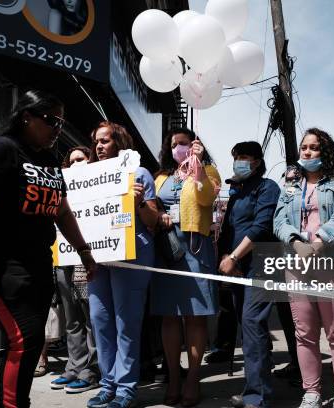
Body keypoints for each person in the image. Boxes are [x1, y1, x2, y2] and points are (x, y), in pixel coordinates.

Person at [0, 90, 97, 408]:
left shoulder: (49, 160)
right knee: (26, 338)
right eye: (52, 120)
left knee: (26, 342)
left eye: (62, 122)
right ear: (26, 117)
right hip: (0, 265)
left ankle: (6, 402)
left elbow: (62, 212)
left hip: (37, 264)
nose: (58, 128)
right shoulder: (1, 150)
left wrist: (85, 252)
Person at [274, 128, 334, 408]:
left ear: (325, 151)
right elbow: (279, 219)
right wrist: (296, 242)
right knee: (305, 332)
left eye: (314, 148)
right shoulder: (290, 181)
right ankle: (311, 393)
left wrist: (321, 240)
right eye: (304, 148)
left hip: (331, 260)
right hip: (297, 262)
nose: (307, 152)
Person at [86, 121, 159, 408]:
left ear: (119, 141)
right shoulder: (90, 176)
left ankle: (126, 389)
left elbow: (153, 222)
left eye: (105, 140)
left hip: (132, 256)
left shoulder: (139, 173)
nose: (99, 146)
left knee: (126, 323)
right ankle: (108, 385)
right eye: (96, 141)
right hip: (97, 257)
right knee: (100, 320)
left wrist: (140, 202)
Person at [150, 127, 221, 407]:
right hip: (167, 250)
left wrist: (199, 168)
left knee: (195, 318)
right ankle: (174, 377)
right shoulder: (160, 177)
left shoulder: (209, 171)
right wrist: (159, 216)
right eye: (174, 144)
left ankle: (192, 378)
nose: (179, 147)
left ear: (196, 145)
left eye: (184, 143)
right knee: (169, 317)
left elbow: (206, 198)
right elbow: (150, 207)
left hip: (195, 249)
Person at [217, 142, 280, 408]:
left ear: (256, 161)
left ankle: (257, 396)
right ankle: (259, 386)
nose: (238, 162)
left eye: (243, 157)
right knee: (251, 327)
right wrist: (225, 256)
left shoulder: (268, 188)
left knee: (252, 323)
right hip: (239, 266)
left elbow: (261, 226)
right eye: (235, 157)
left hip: (261, 262)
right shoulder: (237, 193)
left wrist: (233, 257)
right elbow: (228, 230)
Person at [48, 146, 99, 394]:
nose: (77, 163)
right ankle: (73, 367)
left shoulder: (99, 184)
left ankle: (91, 370)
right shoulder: (61, 187)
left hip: (84, 259)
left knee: (89, 317)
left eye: (82, 158)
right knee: (71, 319)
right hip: (63, 258)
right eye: (72, 160)